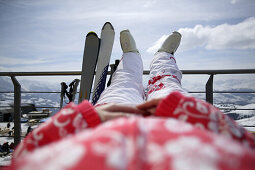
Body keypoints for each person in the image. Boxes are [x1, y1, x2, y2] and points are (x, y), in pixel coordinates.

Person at [10, 30, 255, 170]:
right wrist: (191, 113)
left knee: (122, 86)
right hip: (183, 122)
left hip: (104, 123)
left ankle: (131, 58)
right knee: (167, 85)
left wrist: (85, 119)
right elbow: (247, 145)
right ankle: (163, 57)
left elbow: (25, 156)